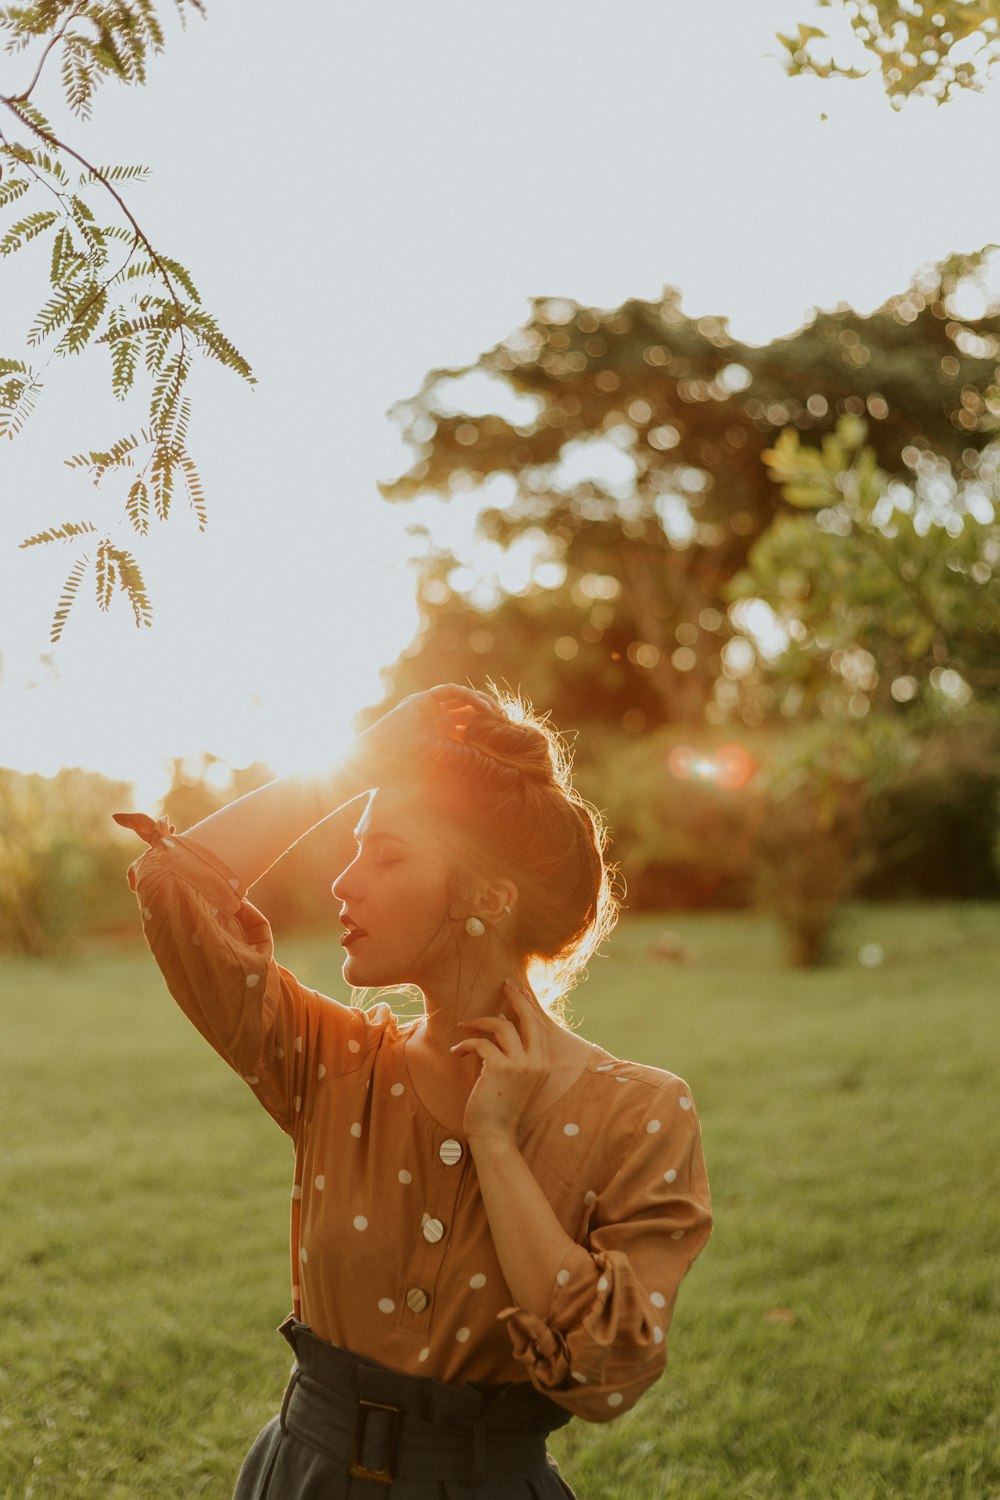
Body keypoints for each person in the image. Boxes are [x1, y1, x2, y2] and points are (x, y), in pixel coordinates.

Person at [116, 683, 712, 1497]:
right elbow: (174, 890)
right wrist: (368, 755)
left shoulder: (638, 1113)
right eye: (355, 848)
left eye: (387, 854)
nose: (344, 883)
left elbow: (606, 1372)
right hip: (304, 1476)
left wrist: (496, 1145)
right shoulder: (330, 1061)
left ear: (487, 896)